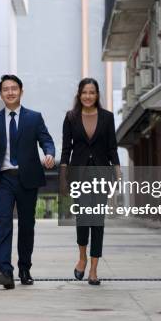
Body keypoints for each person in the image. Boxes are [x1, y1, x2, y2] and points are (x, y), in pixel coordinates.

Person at [0, 74, 55, 289]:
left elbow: (46, 140)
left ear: (21, 91)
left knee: (27, 225)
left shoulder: (34, 118)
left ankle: (24, 268)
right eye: (5, 89)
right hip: (3, 179)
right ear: (0, 93)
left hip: (27, 178)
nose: (10, 92)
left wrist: (49, 153)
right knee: (4, 224)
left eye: (14, 88)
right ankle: (5, 271)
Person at [60, 78, 121, 286]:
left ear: (97, 95)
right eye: (85, 92)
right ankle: (82, 257)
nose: (88, 96)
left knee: (97, 221)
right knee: (83, 218)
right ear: (79, 94)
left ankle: (94, 269)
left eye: (92, 92)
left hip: (102, 173)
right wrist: (64, 177)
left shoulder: (107, 117)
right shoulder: (70, 118)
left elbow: (112, 146)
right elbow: (66, 150)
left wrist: (118, 171)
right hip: (79, 174)